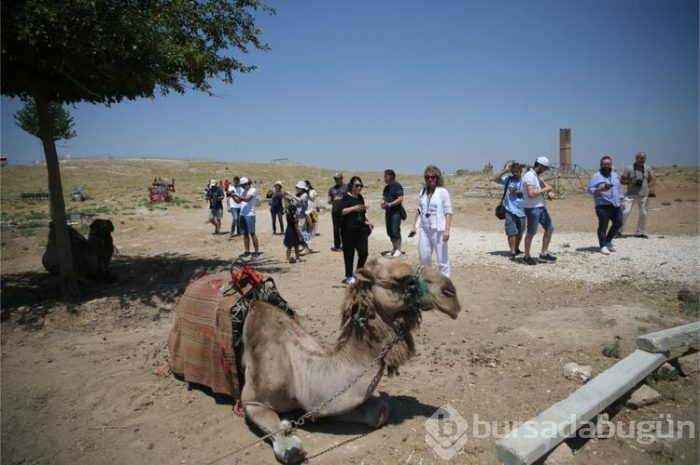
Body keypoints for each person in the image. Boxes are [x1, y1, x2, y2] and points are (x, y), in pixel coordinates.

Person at [408, 165, 452, 277]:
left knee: (443, 259)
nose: (430, 179)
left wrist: (447, 230)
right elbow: (419, 211)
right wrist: (414, 227)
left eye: (432, 177)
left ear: (437, 177)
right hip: (425, 230)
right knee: (424, 257)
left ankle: (445, 286)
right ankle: (427, 283)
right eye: (427, 177)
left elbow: (448, 211)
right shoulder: (422, 192)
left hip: (438, 230)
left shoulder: (442, 192)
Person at [521, 157, 557, 265]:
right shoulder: (529, 176)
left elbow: (544, 185)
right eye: (545, 168)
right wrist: (546, 189)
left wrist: (549, 191)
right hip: (532, 208)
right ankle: (526, 256)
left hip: (540, 207)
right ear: (540, 166)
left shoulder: (537, 176)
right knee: (531, 233)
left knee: (550, 227)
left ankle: (544, 253)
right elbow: (531, 193)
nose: (545, 170)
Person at [339, 176, 373, 285]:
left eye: (361, 186)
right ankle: (349, 275)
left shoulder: (360, 197)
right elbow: (341, 211)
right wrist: (353, 208)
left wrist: (368, 221)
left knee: (364, 253)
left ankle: (358, 273)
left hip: (361, 229)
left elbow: (362, 212)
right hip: (348, 229)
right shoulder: (346, 197)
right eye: (357, 185)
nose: (359, 188)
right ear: (351, 186)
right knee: (349, 254)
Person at [588, 155, 623, 254]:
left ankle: (608, 241)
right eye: (605, 164)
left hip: (616, 205)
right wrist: (600, 189)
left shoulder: (615, 175)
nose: (607, 166)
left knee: (618, 223)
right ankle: (602, 246)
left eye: (608, 164)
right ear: (601, 165)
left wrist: (622, 199)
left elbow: (619, 188)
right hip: (603, 205)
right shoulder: (596, 176)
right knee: (603, 225)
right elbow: (590, 190)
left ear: (611, 164)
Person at [492, 162, 526, 259]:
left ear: (520, 172)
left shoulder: (524, 181)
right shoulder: (508, 180)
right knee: (511, 231)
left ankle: (516, 248)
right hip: (509, 210)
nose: (515, 173)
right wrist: (505, 171)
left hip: (523, 211)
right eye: (514, 172)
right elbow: (494, 179)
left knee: (520, 231)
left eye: (517, 172)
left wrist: (521, 191)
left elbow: (530, 191)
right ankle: (512, 251)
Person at [621, 151, 655, 238]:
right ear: (636, 158)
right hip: (631, 195)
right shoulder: (629, 168)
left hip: (644, 195)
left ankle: (640, 232)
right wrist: (631, 182)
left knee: (643, 213)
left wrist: (651, 186)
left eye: (644, 159)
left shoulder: (648, 168)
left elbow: (651, 178)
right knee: (625, 212)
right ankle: (618, 231)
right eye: (642, 158)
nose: (643, 160)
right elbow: (622, 180)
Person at [381, 169, 405, 258]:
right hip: (388, 212)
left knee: (395, 230)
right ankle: (394, 248)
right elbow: (384, 198)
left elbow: (400, 199)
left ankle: (399, 249)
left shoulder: (398, 186)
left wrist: (390, 204)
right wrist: (382, 203)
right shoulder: (386, 188)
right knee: (390, 231)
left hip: (396, 212)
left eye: (385, 176)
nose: (384, 178)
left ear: (391, 176)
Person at [233, 177, 260, 256]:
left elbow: (247, 199)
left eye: (242, 185)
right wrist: (232, 196)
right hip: (242, 214)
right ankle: (247, 251)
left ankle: (256, 251)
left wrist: (236, 195)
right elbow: (238, 201)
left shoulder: (253, 190)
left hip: (250, 214)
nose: (242, 187)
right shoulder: (243, 191)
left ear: (247, 184)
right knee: (245, 233)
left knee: (252, 233)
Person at [327, 173, 348, 252]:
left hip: (345, 211)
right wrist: (332, 200)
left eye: (338, 178)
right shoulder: (331, 189)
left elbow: (350, 196)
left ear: (342, 178)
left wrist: (341, 198)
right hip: (335, 211)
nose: (336, 180)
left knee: (345, 228)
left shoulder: (346, 187)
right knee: (336, 229)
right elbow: (329, 201)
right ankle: (337, 246)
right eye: (335, 179)